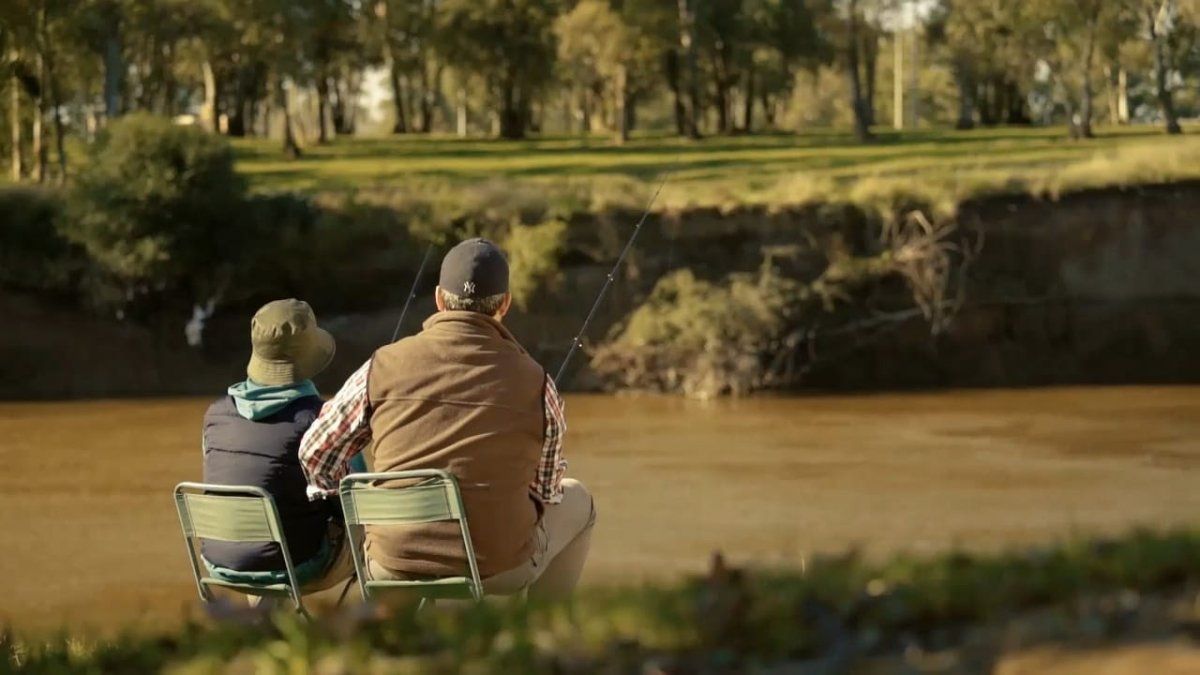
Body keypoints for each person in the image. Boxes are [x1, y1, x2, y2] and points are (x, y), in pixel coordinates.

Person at [299, 238, 596, 598]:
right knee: (578, 498)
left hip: (391, 562)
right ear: (505, 304)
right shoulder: (538, 382)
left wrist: (354, 507)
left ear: (440, 299)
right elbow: (547, 489)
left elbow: (314, 452)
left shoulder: (380, 366)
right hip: (499, 569)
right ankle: (542, 633)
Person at [201, 299, 355, 596]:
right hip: (297, 564)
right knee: (373, 536)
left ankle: (268, 628)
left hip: (219, 562)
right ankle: (368, 635)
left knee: (262, 532)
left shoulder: (215, 415)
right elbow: (351, 502)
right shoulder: (320, 419)